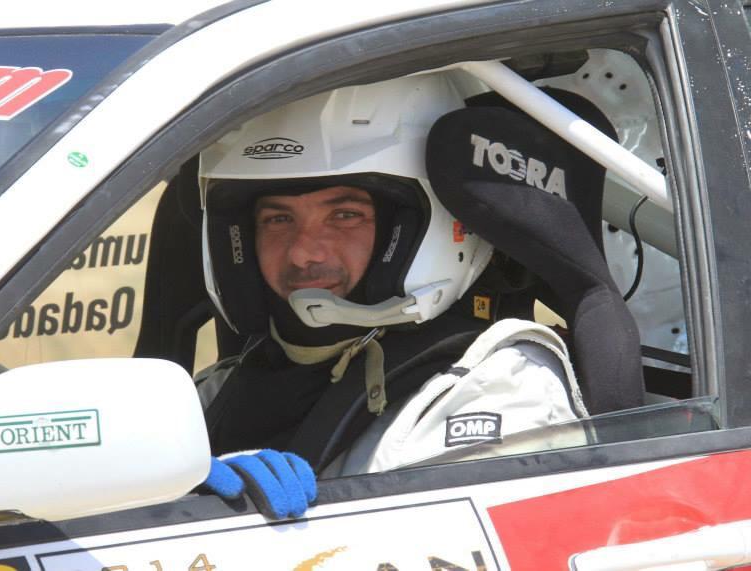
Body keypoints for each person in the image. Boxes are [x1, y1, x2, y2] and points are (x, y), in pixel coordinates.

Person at [194, 73, 587, 519]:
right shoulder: (213, 394)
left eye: (345, 215)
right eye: (278, 220)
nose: (303, 253)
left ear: (418, 230)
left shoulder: (496, 386)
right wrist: (176, 499)